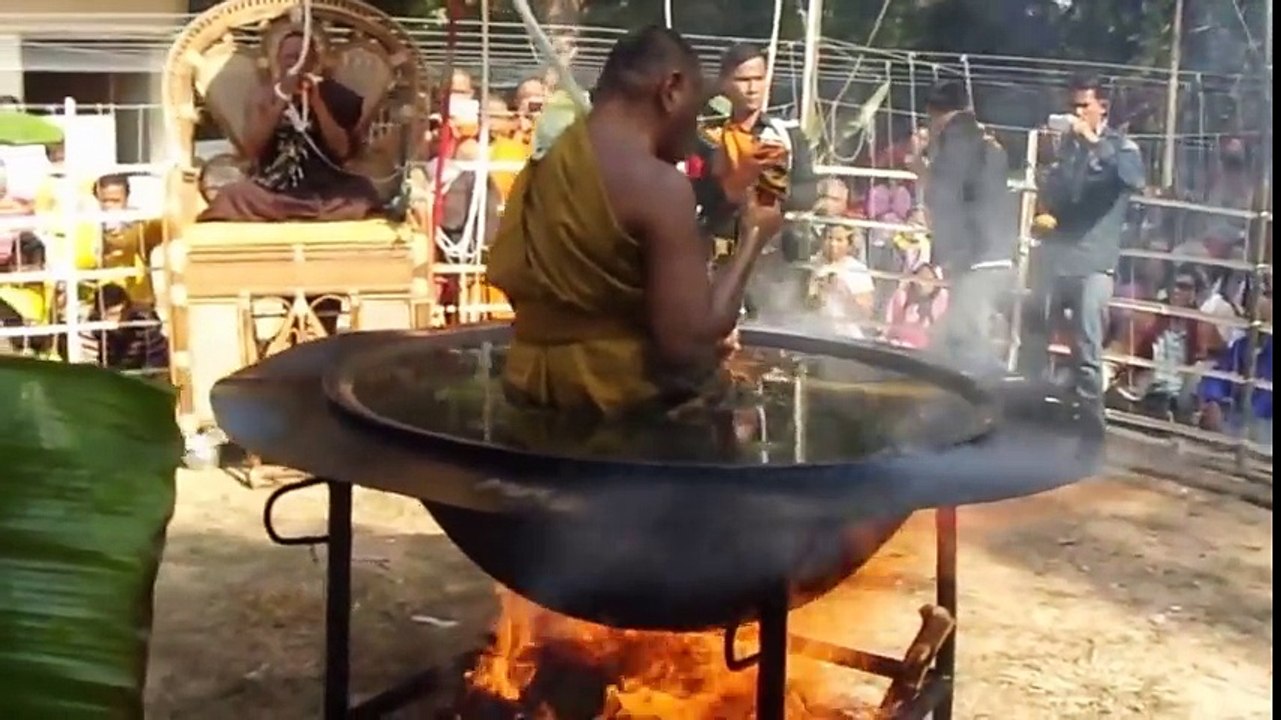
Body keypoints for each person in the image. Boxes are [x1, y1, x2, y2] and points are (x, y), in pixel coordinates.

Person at [487, 26, 780, 415]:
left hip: (530, 392)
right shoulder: (657, 185)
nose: (695, 130)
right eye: (696, 108)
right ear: (672, 89)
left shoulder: (547, 164)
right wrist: (755, 236)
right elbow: (686, 343)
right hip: (616, 405)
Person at [1025, 73, 1145, 421]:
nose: (1076, 113)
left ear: (1102, 107)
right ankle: (1029, 413)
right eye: (1072, 106)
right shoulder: (1068, 150)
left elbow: (1133, 179)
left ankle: (1091, 424)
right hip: (1057, 258)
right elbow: (1055, 197)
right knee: (1035, 337)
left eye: (1083, 106)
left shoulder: (1122, 147)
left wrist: (1092, 141)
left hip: (1093, 264)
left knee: (1087, 348)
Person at [690, 43, 818, 318]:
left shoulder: (788, 136)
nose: (752, 88)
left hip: (773, 257)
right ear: (725, 83)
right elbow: (696, 194)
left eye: (758, 79)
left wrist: (767, 190)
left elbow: (808, 191)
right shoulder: (707, 139)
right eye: (743, 80)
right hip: (721, 255)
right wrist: (728, 182)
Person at [199, 27, 379, 222]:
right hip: (273, 189)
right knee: (232, 195)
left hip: (326, 188)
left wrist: (317, 103)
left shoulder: (336, 95)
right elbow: (252, 150)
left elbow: (342, 151)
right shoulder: (263, 96)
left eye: (302, 58)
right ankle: (297, 212)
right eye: (290, 58)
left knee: (362, 192)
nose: (296, 64)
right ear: (279, 61)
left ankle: (303, 212)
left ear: (313, 62)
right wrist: (281, 102)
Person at [915, 80, 1016, 376]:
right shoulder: (983, 139)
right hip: (992, 250)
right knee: (958, 335)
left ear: (936, 113)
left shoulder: (955, 140)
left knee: (968, 338)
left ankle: (996, 399)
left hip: (978, 254)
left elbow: (946, 197)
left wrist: (922, 171)